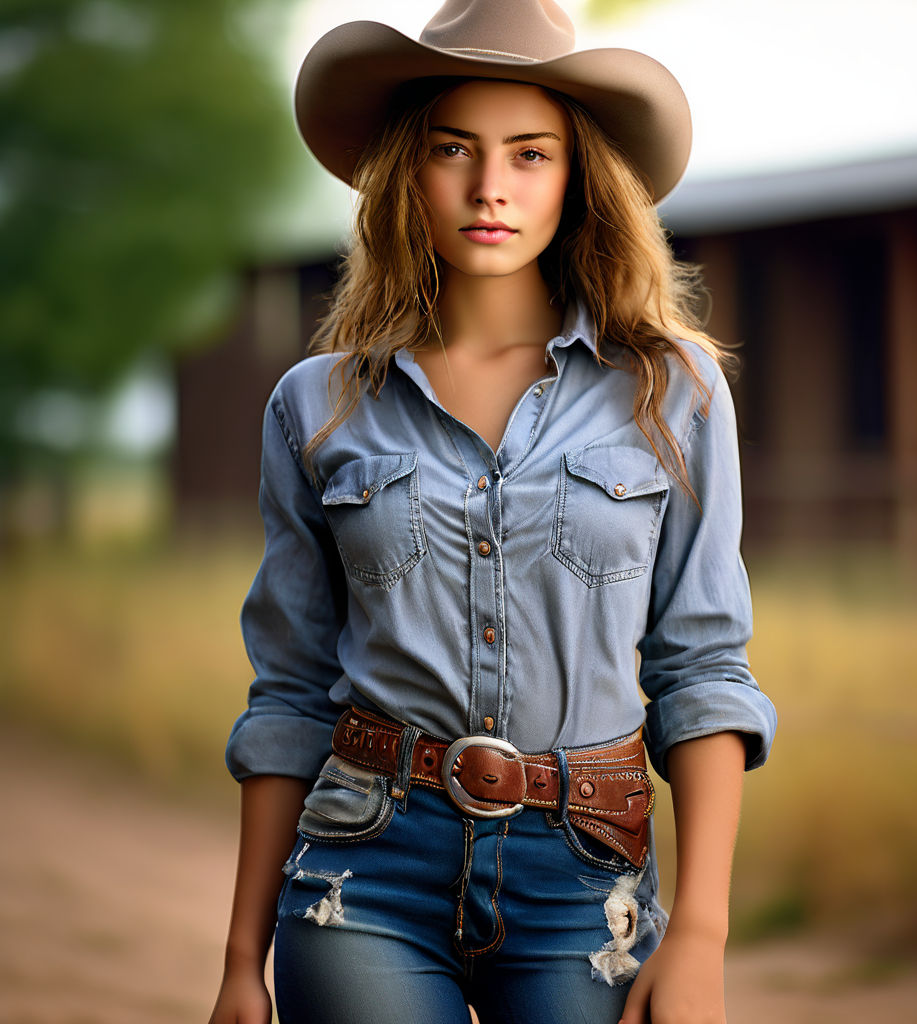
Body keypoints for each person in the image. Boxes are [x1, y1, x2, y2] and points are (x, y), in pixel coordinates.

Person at [209, 1, 776, 1022]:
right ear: (403, 172)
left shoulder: (671, 389)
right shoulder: (317, 401)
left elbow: (702, 670)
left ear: (579, 176)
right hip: (363, 869)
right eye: (452, 149)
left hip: (584, 882)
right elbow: (290, 690)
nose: (489, 188)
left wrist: (701, 930)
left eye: (530, 154)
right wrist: (240, 960)